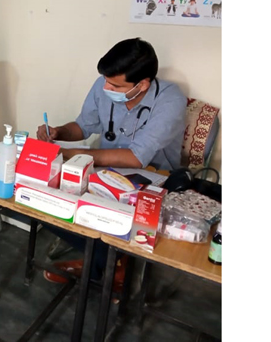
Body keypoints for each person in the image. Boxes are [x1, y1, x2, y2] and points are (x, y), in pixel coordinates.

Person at [35, 37, 186, 290]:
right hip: (104, 175)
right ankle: (113, 264)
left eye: (115, 85)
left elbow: (136, 157)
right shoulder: (103, 84)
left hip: (152, 180)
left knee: (108, 219)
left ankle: (101, 267)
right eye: (106, 81)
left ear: (143, 84)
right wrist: (58, 132)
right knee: (46, 203)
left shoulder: (170, 100)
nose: (106, 88)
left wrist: (73, 154)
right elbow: (83, 126)